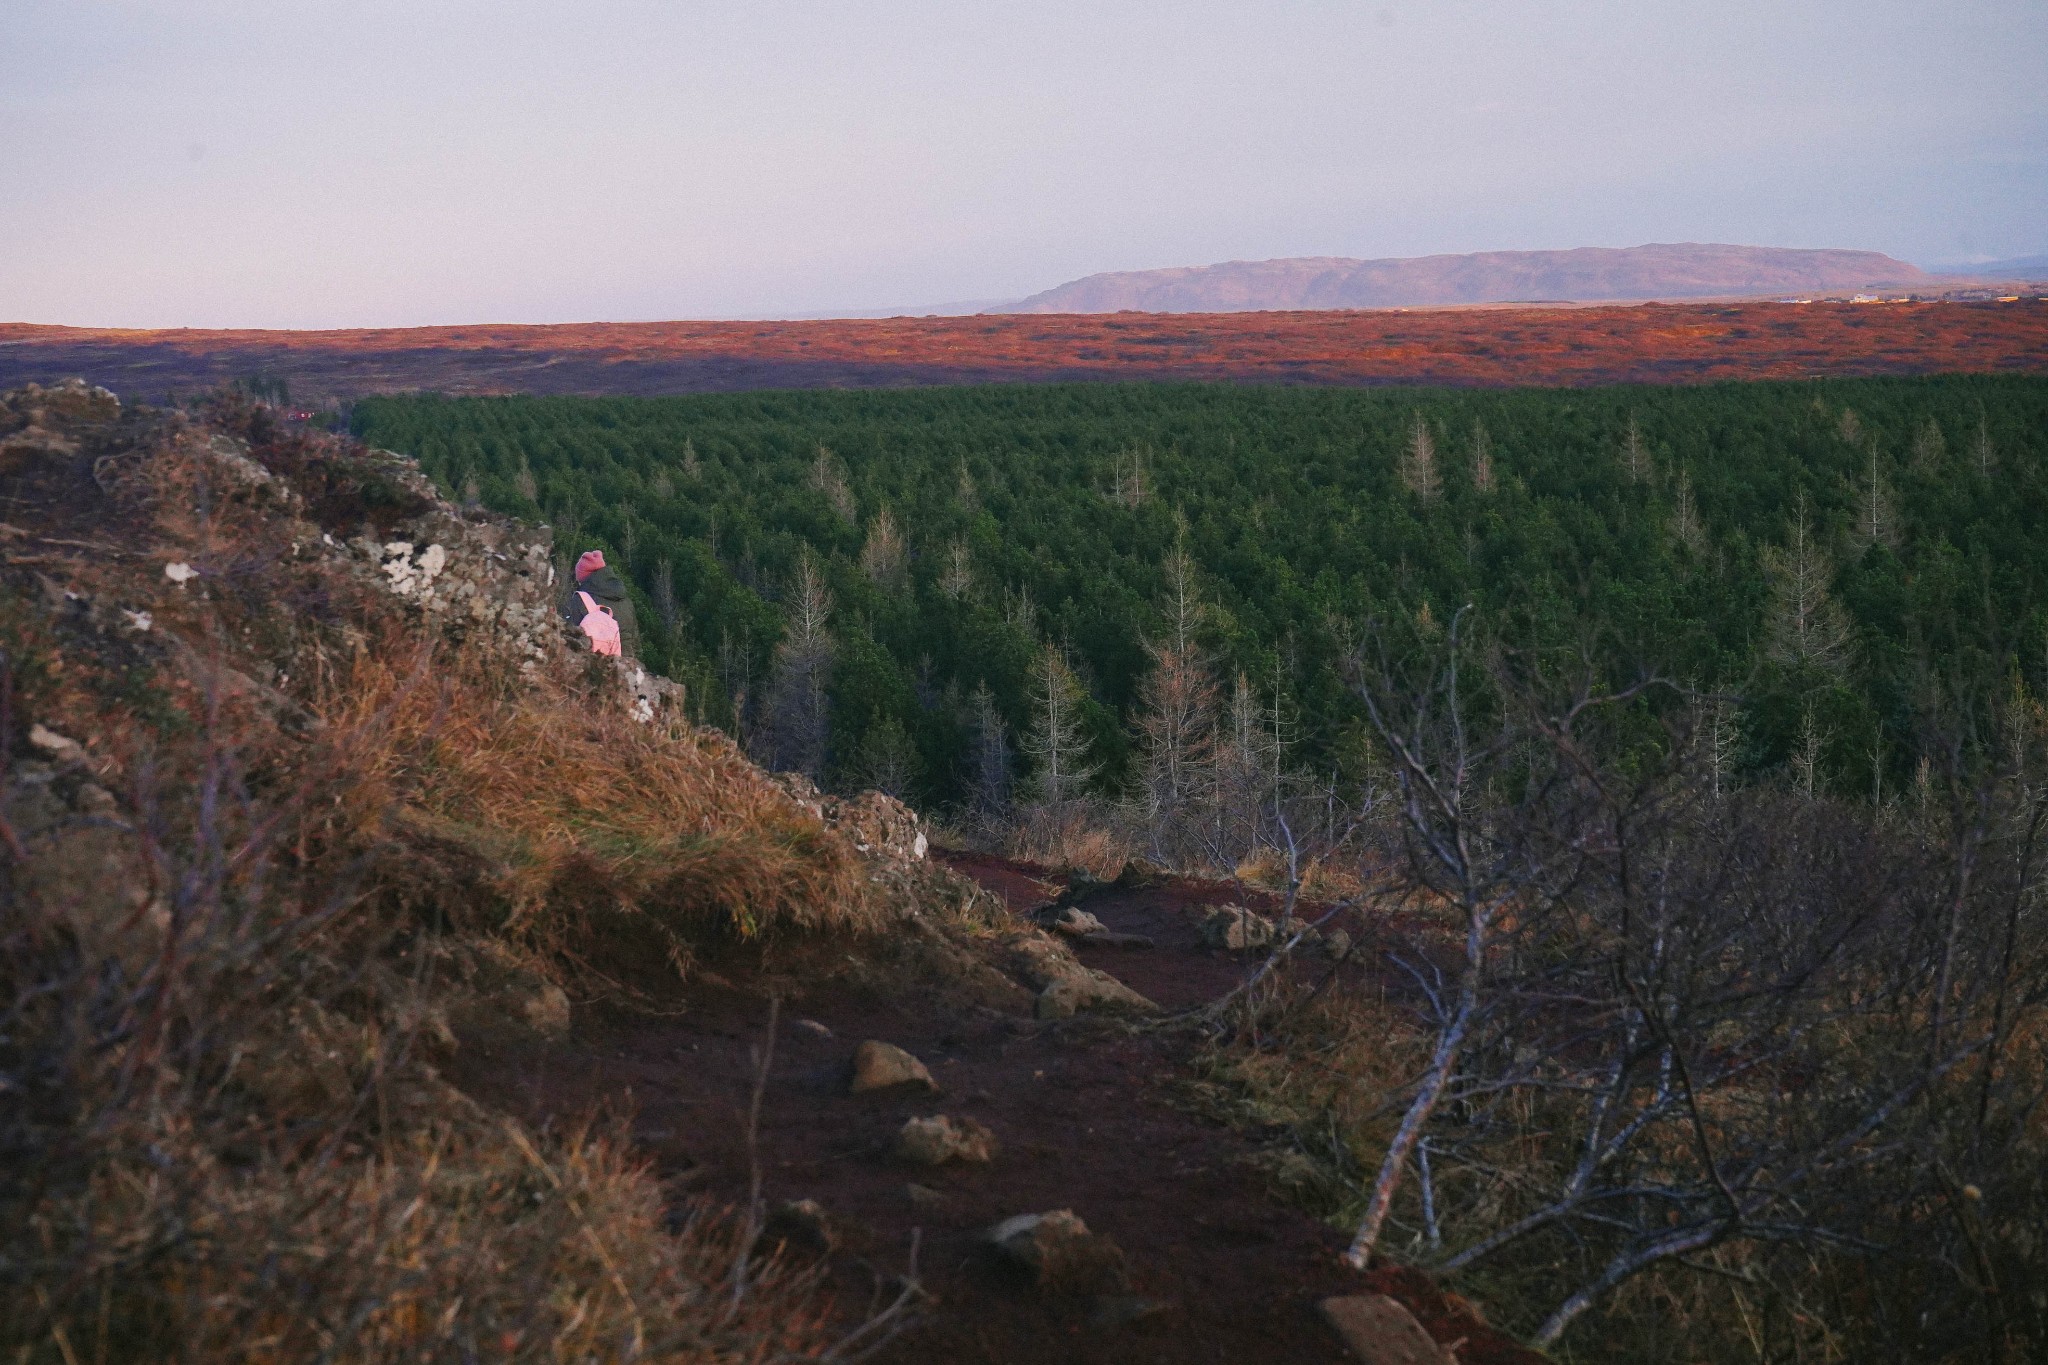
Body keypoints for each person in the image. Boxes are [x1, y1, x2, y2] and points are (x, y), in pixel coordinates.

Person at [562, 549, 637, 658]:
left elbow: (571, 639)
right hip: (626, 664)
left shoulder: (580, 600)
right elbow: (635, 642)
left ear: (583, 577)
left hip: (597, 663)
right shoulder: (626, 600)